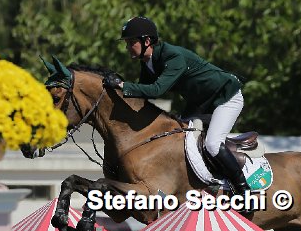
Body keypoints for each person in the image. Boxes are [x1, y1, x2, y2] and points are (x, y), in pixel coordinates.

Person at [105, 15, 250, 194]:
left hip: (226, 97)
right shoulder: (148, 63)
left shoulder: (173, 56)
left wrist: (121, 85)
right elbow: (141, 94)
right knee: (177, 138)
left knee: (212, 144)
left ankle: (243, 189)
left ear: (147, 41)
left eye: (131, 42)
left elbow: (156, 90)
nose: (127, 47)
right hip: (201, 104)